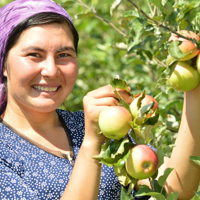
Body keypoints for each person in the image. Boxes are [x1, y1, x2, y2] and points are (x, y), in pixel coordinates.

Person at [0, 0, 199, 200]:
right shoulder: (4, 150)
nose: (51, 70)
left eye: (63, 55)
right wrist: (92, 144)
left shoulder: (88, 125)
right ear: (4, 65)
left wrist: (192, 81)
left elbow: (176, 189)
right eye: (34, 54)